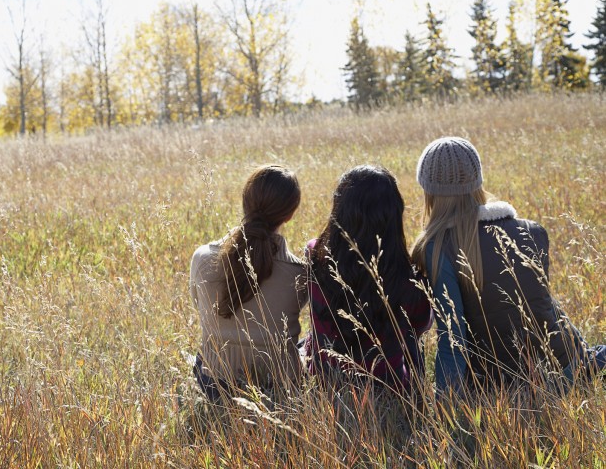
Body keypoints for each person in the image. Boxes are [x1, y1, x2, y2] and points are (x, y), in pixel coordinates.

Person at [411, 136, 606, 394]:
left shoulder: (437, 249)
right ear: (477, 181)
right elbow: (543, 307)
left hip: (503, 386)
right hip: (568, 367)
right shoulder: (532, 231)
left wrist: (445, 409)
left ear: (429, 191)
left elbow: (453, 339)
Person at [303, 165, 433, 393]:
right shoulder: (406, 276)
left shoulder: (314, 254)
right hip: (387, 384)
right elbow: (420, 325)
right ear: (393, 215)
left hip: (326, 378)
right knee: (411, 339)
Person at [190, 164, 307, 400]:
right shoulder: (300, 273)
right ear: (290, 214)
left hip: (216, 383)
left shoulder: (202, 258)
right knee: (308, 343)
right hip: (280, 386)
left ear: (245, 202)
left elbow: (198, 306)